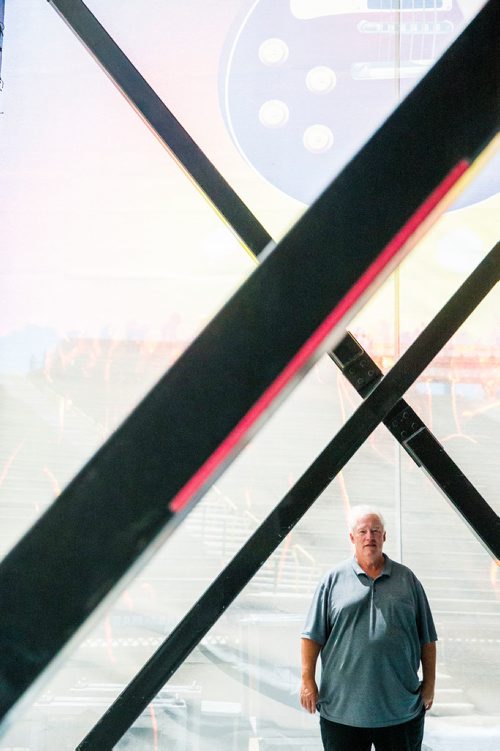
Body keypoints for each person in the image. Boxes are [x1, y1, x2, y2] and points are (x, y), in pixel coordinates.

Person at [300, 504, 437, 751]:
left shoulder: (408, 581)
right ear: (352, 538)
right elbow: (312, 636)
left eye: (375, 530)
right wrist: (307, 679)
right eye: (362, 531)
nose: (369, 537)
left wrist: (429, 685)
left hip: (400, 710)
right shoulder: (333, 580)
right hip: (342, 712)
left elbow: (427, 638)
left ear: (384, 536)